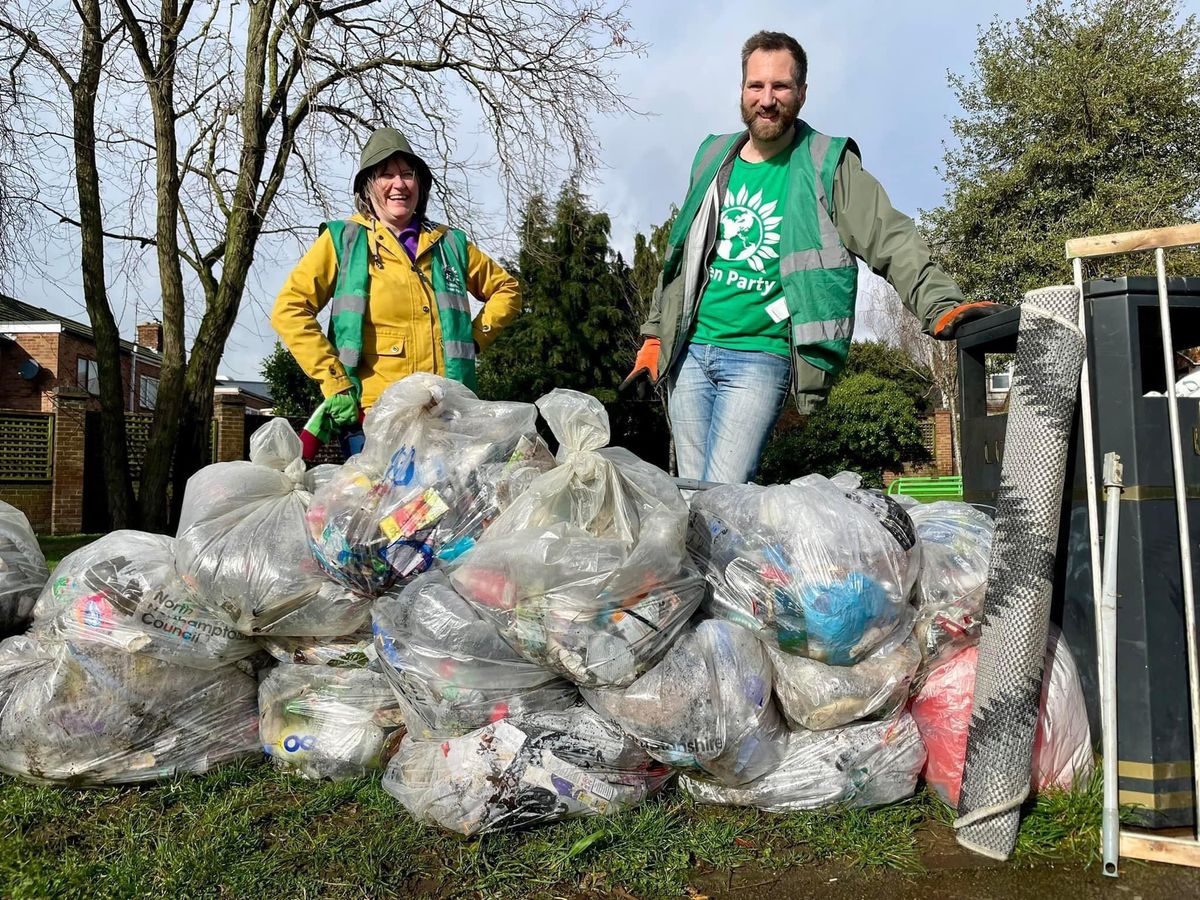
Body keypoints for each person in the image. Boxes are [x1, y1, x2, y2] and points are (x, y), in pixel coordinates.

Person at [622, 31, 1000, 484]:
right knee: (689, 493)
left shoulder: (827, 163)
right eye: (756, 86)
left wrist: (940, 302)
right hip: (690, 356)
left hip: (759, 357)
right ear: (741, 91)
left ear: (801, 93)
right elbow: (680, 257)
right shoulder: (711, 157)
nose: (767, 99)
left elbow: (890, 236)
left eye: (780, 87)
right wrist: (654, 338)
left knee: (721, 494)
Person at [272, 127, 521, 459]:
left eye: (407, 174)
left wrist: (475, 337)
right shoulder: (344, 240)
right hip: (374, 420)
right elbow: (289, 309)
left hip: (448, 418)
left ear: (421, 184)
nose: (399, 184)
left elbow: (508, 289)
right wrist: (334, 381)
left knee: (443, 510)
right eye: (386, 175)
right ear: (367, 187)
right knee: (377, 512)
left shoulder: (451, 244)